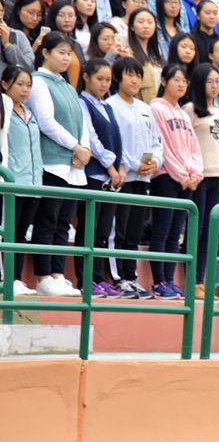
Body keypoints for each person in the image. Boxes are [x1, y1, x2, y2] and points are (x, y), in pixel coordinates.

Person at [26, 31, 92, 298]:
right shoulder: (39, 82)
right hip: (52, 162)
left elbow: (81, 120)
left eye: (69, 53)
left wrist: (84, 148)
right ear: (45, 53)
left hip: (74, 165)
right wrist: (75, 146)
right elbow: (46, 122)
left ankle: (58, 273)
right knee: (48, 219)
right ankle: (43, 276)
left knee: (64, 221)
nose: (66, 58)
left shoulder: (66, 85)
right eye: (61, 52)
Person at [106, 56, 163, 300]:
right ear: (118, 78)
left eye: (138, 75)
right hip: (122, 178)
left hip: (143, 179)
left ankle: (131, 276)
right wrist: (132, 164)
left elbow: (157, 142)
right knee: (117, 230)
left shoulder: (145, 108)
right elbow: (114, 143)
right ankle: (117, 278)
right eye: (129, 75)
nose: (135, 80)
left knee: (134, 231)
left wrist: (154, 163)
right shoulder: (111, 105)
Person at [149, 63, 203, 299]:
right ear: (164, 81)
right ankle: (158, 281)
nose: (181, 84)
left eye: (184, 81)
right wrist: (183, 175)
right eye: (176, 80)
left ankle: (169, 280)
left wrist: (195, 175)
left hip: (187, 180)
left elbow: (194, 147)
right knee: (161, 230)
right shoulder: (156, 108)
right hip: (166, 177)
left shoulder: (183, 113)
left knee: (175, 233)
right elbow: (163, 146)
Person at [75, 57, 126, 299]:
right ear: (86, 77)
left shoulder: (107, 106)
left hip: (113, 177)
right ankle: (85, 280)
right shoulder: (82, 103)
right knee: (90, 229)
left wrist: (122, 166)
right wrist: (111, 166)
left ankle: (98, 277)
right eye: (99, 79)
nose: (104, 84)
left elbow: (119, 138)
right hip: (95, 175)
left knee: (104, 232)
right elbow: (91, 139)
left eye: (108, 80)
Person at [184, 63, 219, 299]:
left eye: (218, 81)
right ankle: (191, 280)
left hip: (217, 175)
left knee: (209, 232)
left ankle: (200, 281)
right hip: (199, 175)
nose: (215, 86)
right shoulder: (190, 110)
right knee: (197, 229)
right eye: (210, 81)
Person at [2, 65, 43, 297]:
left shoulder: (30, 113)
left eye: (28, 85)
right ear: (5, 84)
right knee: (8, 233)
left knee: (20, 235)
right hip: (13, 183)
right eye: (20, 84)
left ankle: (16, 278)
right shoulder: (4, 110)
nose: (25, 89)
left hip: (33, 184)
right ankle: (7, 277)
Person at [126, 7, 163, 102]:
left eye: (150, 22)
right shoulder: (128, 54)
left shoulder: (156, 54)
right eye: (141, 22)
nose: (146, 26)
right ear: (132, 26)